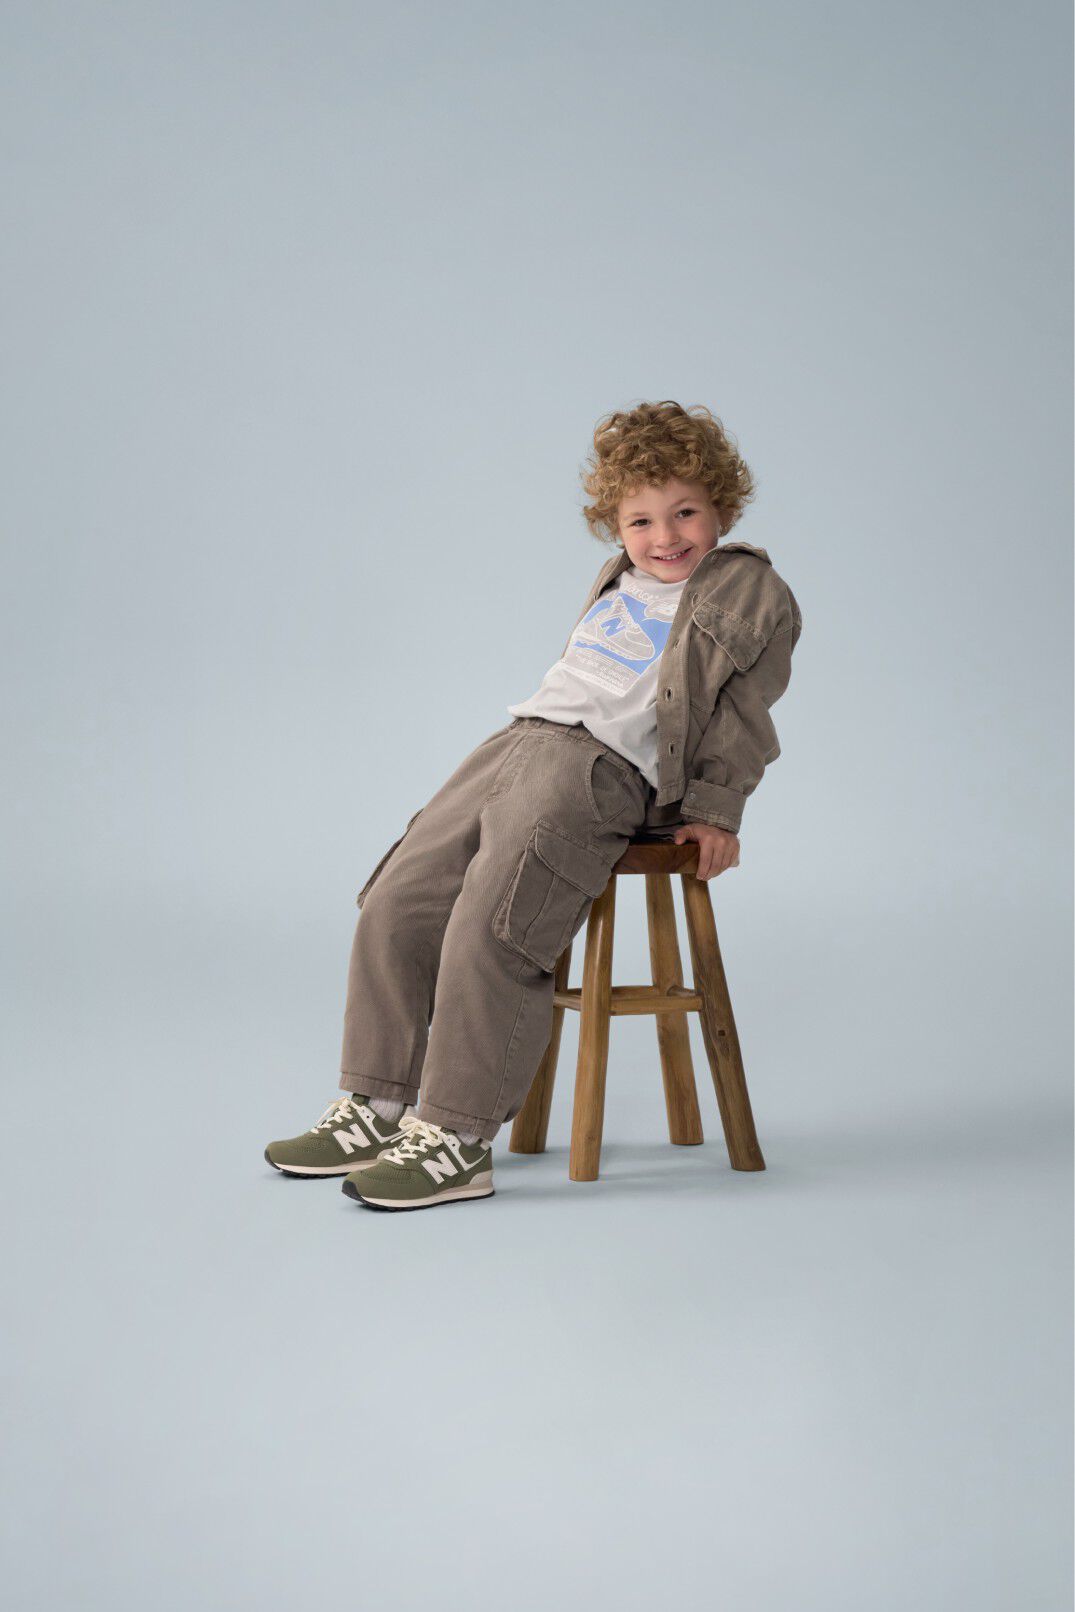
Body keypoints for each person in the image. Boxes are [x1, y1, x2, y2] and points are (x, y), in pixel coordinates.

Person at [264, 400, 803, 1210]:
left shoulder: (749, 588)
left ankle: (456, 1137)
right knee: (395, 899)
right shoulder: (618, 580)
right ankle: (374, 1106)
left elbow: (744, 715)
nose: (665, 536)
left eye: (685, 512)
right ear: (614, 527)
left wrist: (715, 810)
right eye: (641, 520)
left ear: (721, 507)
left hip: (598, 771)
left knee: (496, 920)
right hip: (515, 742)